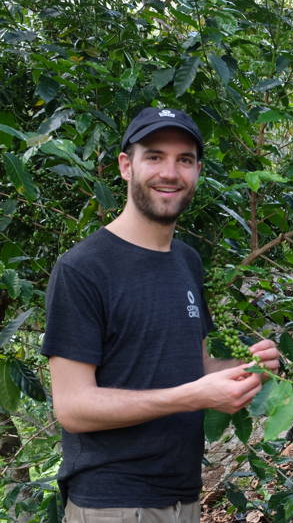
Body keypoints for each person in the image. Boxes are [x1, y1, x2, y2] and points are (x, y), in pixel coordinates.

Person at [41, 107, 280, 523]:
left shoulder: (186, 260)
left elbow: (195, 364)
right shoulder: (82, 268)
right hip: (111, 503)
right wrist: (197, 395)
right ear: (125, 166)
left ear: (197, 172)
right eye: (154, 156)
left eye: (184, 160)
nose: (170, 172)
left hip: (183, 497)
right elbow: (73, 406)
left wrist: (251, 367)